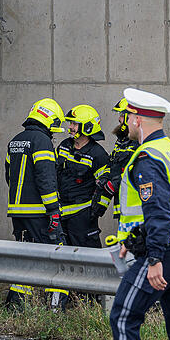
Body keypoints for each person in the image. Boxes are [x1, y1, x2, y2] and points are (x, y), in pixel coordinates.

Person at [109, 88, 170, 340]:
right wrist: (132, 238)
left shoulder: (148, 158)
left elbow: (158, 211)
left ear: (137, 119)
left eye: (127, 117)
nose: (124, 123)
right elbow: (166, 209)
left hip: (164, 253)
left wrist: (154, 258)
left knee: (123, 317)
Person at [4, 98, 67, 310]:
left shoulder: (15, 140)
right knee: (57, 255)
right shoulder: (42, 142)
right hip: (39, 212)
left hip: (17, 212)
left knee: (25, 257)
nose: (54, 132)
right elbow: (46, 179)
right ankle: (55, 307)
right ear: (48, 119)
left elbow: (8, 176)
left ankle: (15, 305)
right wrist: (54, 211)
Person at [55, 104, 109, 248]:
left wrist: (96, 211)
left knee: (88, 257)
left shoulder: (98, 154)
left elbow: (105, 186)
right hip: (61, 215)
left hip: (83, 217)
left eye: (75, 124)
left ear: (88, 127)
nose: (71, 127)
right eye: (70, 123)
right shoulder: (64, 145)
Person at [90, 98, 139, 221]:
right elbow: (112, 167)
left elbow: (138, 172)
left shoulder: (140, 142)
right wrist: (104, 179)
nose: (119, 119)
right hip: (123, 209)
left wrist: (115, 183)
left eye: (122, 115)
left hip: (137, 211)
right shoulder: (122, 141)